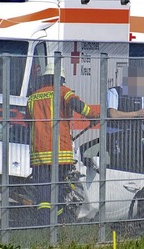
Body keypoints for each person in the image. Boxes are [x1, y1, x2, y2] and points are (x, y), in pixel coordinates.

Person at [26, 63, 99, 226]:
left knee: (43, 192)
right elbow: (77, 104)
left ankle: (43, 224)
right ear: (61, 79)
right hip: (60, 152)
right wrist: (94, 116)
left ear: (45, 78)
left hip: (38, 154)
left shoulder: (32, 98)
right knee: (58, 189)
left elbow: (27, 123)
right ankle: (56, 223)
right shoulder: (63, 92)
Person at [106, 65, 144, 171]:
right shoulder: (114, 92)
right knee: (119, 167)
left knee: (137, 167)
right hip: (116, 136)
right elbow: (113, 114)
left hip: (135, 137)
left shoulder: (141, 95)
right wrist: (136, 114)